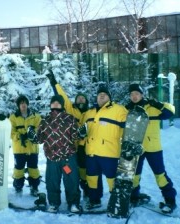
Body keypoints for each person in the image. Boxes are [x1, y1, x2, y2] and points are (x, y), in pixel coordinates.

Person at [27, 95, 87, 214]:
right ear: (50, 105)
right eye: (53, 103)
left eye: (57, 103)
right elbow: (40, 138)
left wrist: (81, 133)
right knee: (52, 181)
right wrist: (33, 137)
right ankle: (54, 203)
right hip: (52, 158)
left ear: (62, 105)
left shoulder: (70, 119)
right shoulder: (45, 120)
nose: (55, 105)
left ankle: (74, 203)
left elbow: (75, 136)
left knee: (71, 180)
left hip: (67, 158)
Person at [126, 83, 177, 213]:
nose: (134, 96)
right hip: (136, 148)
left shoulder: (152, 107)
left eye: (137, 93)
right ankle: (134, 196)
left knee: (160, 174)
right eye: (132, 94)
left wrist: (159, 104)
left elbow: (170, 112)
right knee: (134, 175)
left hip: (153, 148)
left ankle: (170, 200)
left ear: (142, 94)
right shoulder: (127, 109)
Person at [46, 69, 92, 197]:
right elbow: (62, 96)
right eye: (79, 98)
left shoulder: (92, 112)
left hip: (88, 148)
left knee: (86, 172)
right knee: (71, 172)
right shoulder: (71, 109)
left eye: (83, 98)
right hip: (72, 148)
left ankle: (87, 193)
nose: (81, 100)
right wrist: (54, 83)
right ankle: (73, 194)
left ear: (87, 101)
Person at [82, 85, 127, 209]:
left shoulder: (118, 109)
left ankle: (117, 202)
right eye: (99, 94)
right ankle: (94, 200)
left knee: (112, 179)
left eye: (105, 94)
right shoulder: (89, 112)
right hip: (91, 152)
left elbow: (129, 127)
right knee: (92, 178)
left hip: (109, 152)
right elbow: (82, 131)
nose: (102, 95)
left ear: (109, 97)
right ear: (96, 98)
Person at [9, 95, 42, 196]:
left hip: (32, 149)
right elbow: (11, 132)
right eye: (21, 103)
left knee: (33, 169)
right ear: (18, 105)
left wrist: (30, 134)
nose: (23, 105)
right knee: (18, 170)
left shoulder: (36, 116)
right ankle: (18, 188)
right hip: (19, 150)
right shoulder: (13, 117)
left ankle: (34, 187)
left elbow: (39, 129)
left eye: (24, 103)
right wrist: (20, 136)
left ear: (27, 104)